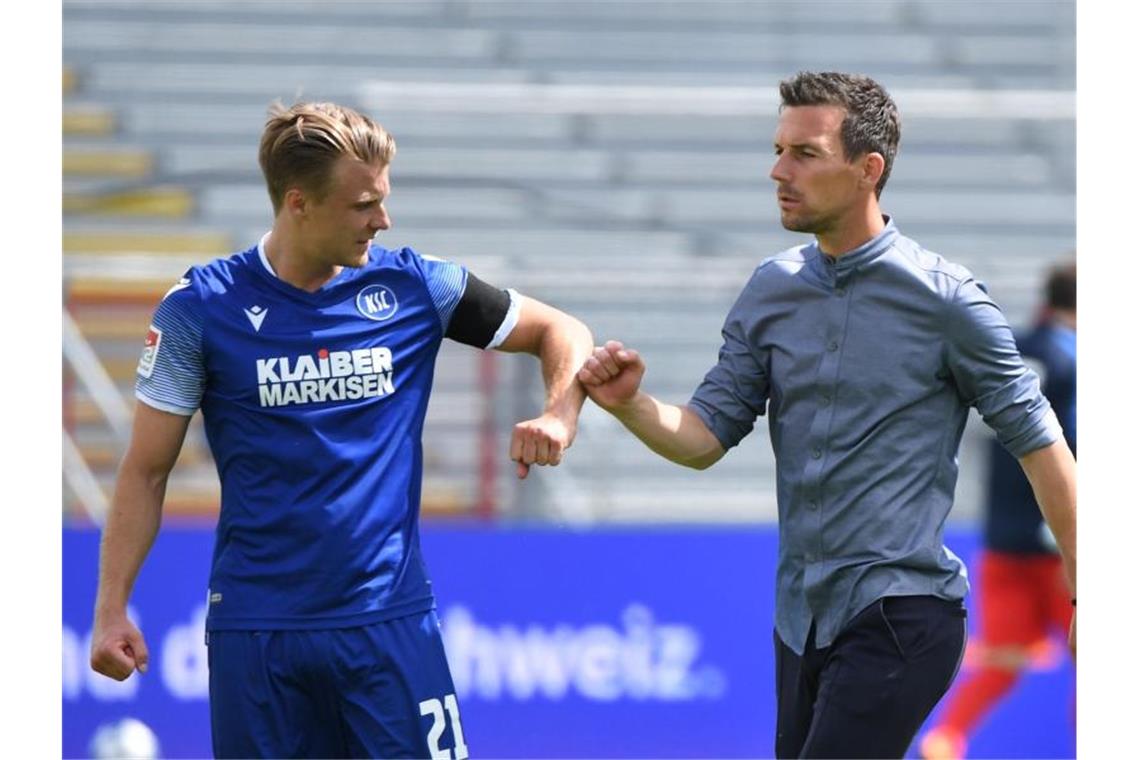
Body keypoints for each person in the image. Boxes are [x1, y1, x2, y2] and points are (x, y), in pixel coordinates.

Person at [577, 71, 1077, 759]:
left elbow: (1041, 441)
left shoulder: (950, 302)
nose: (777, 170)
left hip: (904, 613)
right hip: (799, 621)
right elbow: (703, 440)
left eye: (804, 153)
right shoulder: (770, 291)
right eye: (779, 149)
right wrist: (631, 404)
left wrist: (1089, 590)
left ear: (868, 170)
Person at [89, 101, 594, 759]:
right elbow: (146, 469)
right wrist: (111, 608)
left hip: (390, 625)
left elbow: (562, 330)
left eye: (382, 201)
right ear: (298, 203)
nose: (382, 220)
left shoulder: (415, 285)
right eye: (363, 205)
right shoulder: (201, 309)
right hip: (258, 634)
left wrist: (559, 411)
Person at [919, 262, 1077, 760]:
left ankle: (945, 739)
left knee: (1004, 658)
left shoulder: (1007, 347)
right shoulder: (1078, 359)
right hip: (1065, 539)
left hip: (1004, 535)